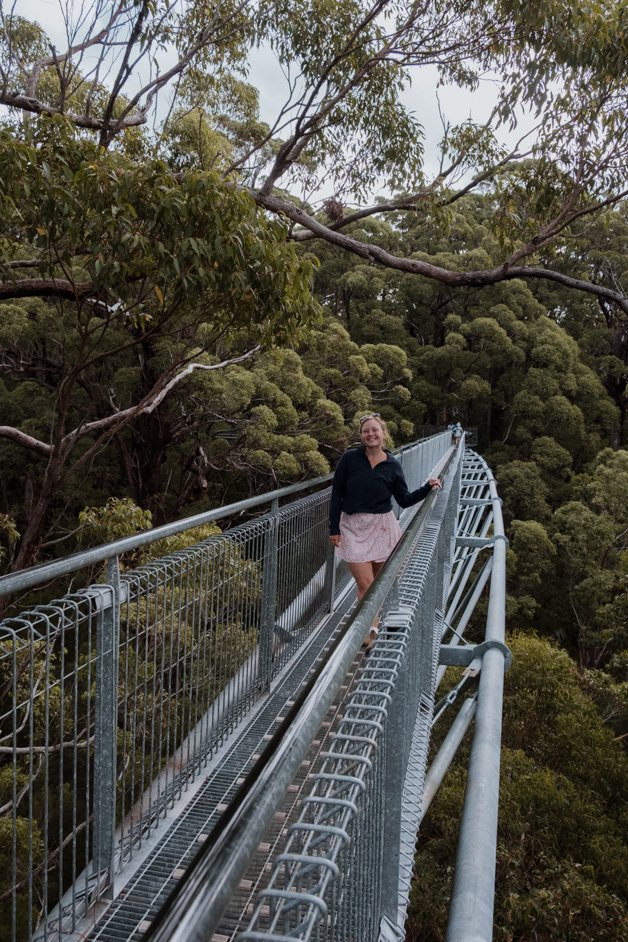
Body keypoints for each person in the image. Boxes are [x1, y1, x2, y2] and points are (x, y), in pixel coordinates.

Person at [329, 413, 442, 648]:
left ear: (383, 433)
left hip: (382, 527)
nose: (370, 434)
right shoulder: (349, 459)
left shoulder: (393, 465)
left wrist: (427, 488)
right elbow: (336, 494)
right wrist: (333, 527)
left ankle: (372, 624)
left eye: (375, 430)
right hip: (352, 527)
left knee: (378, 585)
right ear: (361, 436)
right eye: (366, 431)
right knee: (366, 584)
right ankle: (368, 629)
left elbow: (404, 499)